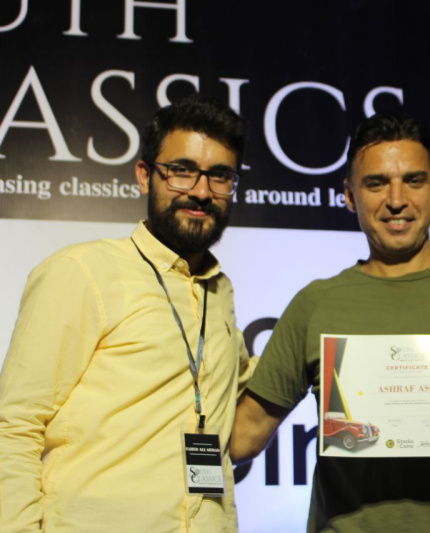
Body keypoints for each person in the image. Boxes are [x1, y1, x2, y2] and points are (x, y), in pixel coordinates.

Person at [231, 113, 430, 532]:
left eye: (414, 181)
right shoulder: (316, 305)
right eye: (377, 183)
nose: (397, 200)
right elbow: (242, 438)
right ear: (349, 196)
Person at [0, 94, 256, 532]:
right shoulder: (82, 272)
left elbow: (246, 407)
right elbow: (14, 427)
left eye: (219, 176)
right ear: (144, 175)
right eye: (182, 170)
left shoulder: (219, 291)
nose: (201, 191)